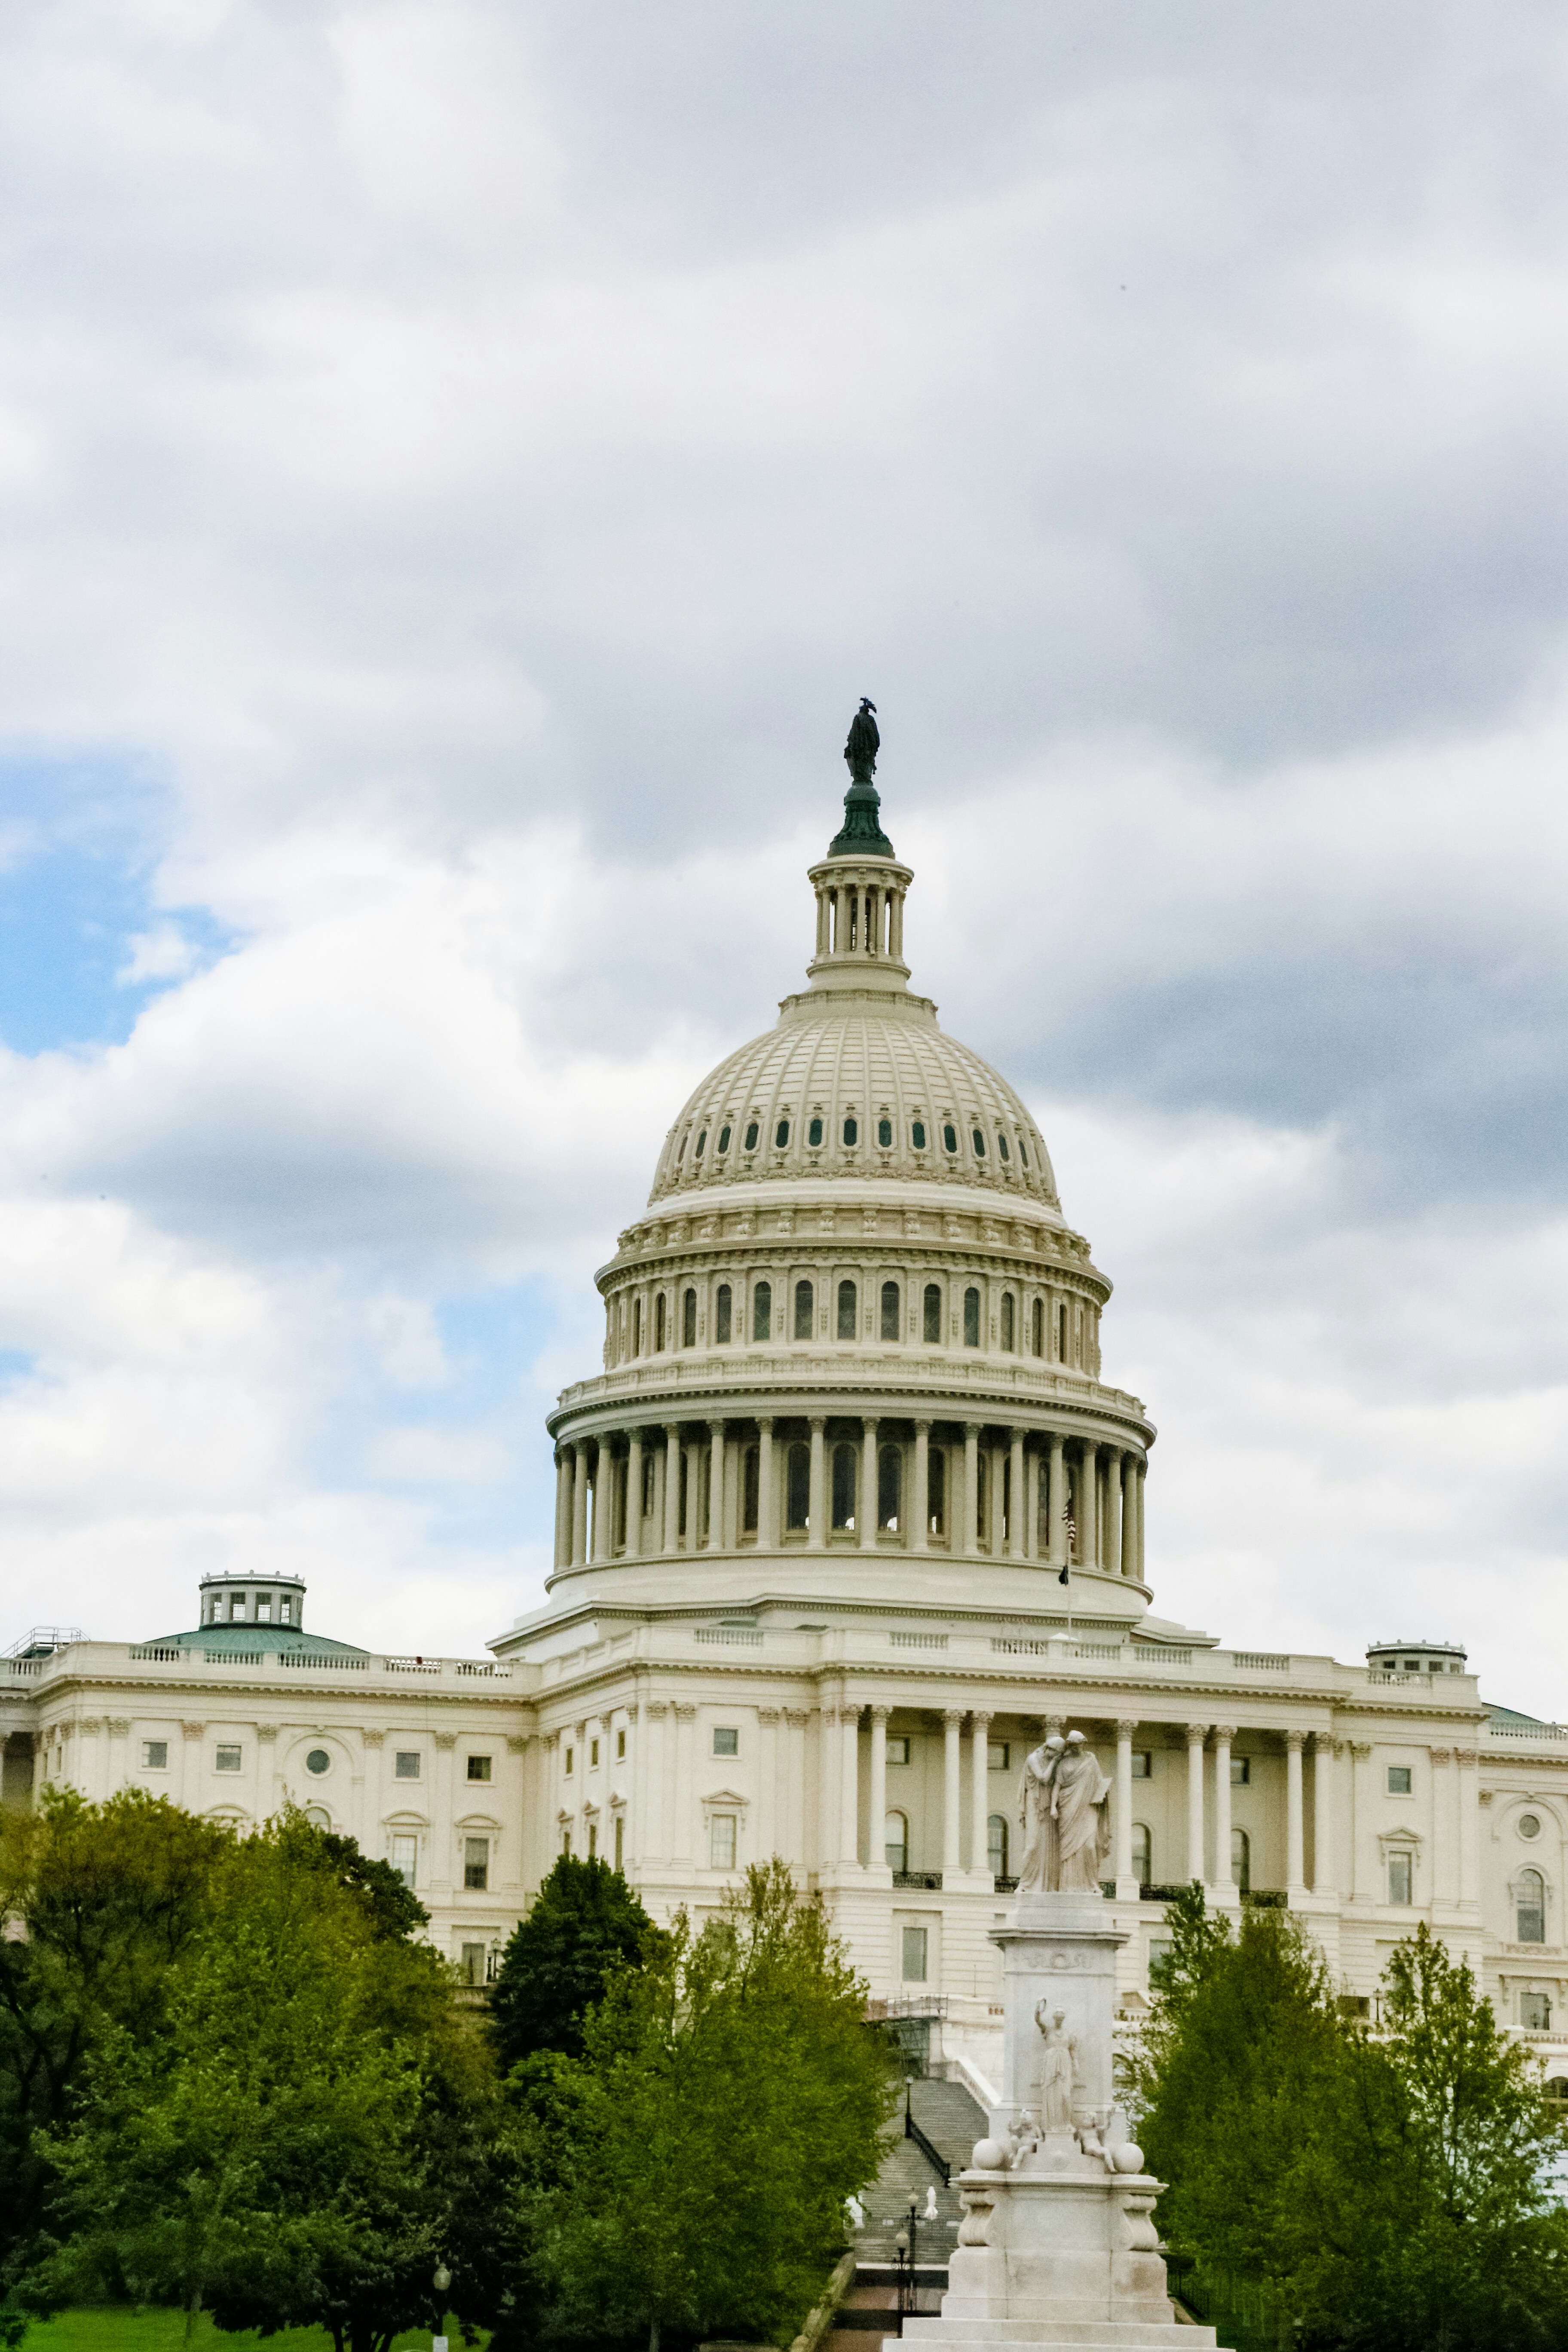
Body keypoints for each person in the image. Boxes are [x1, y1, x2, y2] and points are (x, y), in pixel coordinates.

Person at [1052, 1730, 1111, 1892]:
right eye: (1074, 1745)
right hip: (1068, 1807)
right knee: (1067, 1850)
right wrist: (1052, 1807)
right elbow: (1057, 1785)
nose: (1078, 1747)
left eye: (1080, 1744)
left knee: (1090, 1847)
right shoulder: (1063, 1763)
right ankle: (1067, 1886)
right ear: (1070, 1745)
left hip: (1088, 1807)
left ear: (1083, 1743)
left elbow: (1099, 1782)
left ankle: (1091, 1884)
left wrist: (1103, 1793)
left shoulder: (1091, 1760)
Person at [1015, 1732, 1065, 1890]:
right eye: (1055, 1754)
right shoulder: (1033, 1759)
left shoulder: (1051, 1759)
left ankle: (1047, 1885)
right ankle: (1025, 1883)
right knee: (1033, 1844)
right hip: (1034, 1803)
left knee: (1049, 1845)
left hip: (1048, 1805)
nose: (1055, 1757)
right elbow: (1043, 1778)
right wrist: (1055, 1762)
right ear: (1050, 1749)